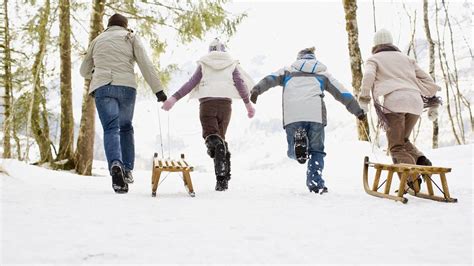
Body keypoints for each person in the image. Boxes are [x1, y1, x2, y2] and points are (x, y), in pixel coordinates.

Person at [250, 47, 366, 194]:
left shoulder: (287, 71)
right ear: (313, 58)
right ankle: (315, 183)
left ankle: (298, 147)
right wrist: (358, 111)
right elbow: (342, 92)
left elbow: (270, 79)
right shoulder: (323, 74)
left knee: (293, 153)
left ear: (299, 58)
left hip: (293, 116)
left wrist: (256, 90)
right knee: (317, 150)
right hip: (315, 115)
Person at [80, 13, 168, 194]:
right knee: (126, 127)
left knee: (111, 128)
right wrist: (158, 90)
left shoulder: (97, 40)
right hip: (127, 87)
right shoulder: (131, 37)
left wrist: (96, 73)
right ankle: (127, 169)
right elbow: (146, 64)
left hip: (103, 87)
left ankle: (115, 164)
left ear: (108, 26)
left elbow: (83, 70)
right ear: (125, 26)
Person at [162, 38, 255, 191]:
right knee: (221, 140)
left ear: (209, 50)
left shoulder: (204, 63)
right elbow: (241, 84)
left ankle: (219, 157)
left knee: (213, 138)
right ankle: (222, 180)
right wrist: (248, 105)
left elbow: (191, 83)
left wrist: (174, 98)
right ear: (223, 50)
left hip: (207, 105)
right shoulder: (231, 63)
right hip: (225, 106)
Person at [358, 28, 440, 175]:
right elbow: (428, 80)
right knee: (402, 139)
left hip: (395, 103)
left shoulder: (374, 59)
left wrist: (364, 99)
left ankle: (410, 179)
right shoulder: (406, 59)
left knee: (395, 147)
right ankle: (420, 159)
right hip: (415, 103)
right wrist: (433, 104)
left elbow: (369, 76)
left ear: (375, 45)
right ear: (391, 43)